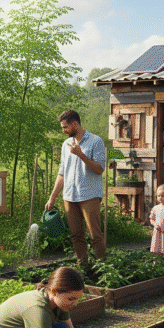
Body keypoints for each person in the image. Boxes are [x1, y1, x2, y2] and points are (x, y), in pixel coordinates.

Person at [44, 110, 106, 266]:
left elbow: (99, 169)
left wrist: (81, 155)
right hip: (70, 196)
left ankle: (103, 269)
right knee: (76, 235)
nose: (63, 130)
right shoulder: (66, 144)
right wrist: (52, 197)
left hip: (89, 195)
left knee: (95, 235)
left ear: (75, 124)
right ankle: (82, 267)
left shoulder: (96, 141)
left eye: (65, 127)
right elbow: (62, 173)